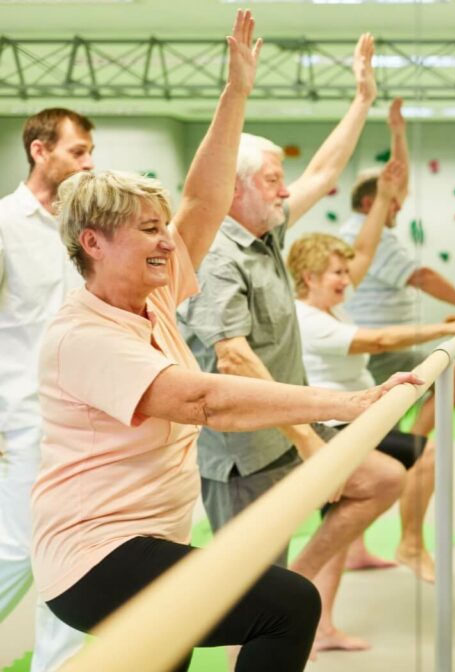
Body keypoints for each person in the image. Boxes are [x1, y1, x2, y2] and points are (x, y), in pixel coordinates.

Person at [32, 14, 418, 671]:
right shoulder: (84, 335)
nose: (167, 240)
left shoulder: (151, 297)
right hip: (95, 556)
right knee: (286, 604)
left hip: (145, 538)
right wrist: (348, 405)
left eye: (163, 227)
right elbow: (206, 401)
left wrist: (237, 91)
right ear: (93, 243)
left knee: (171, 652)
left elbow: (205, 202)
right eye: (148, 230)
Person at [175, 32, 405, 653]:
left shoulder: (266, 233)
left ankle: (297, 582)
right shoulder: (215, 257)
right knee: (249, 594)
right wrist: (306, 437)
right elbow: (233, 356)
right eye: (274, 180)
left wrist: (362, 99)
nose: (285, 190)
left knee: (380, 479)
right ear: (235, 190)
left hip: (287, 430)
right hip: (244, 452)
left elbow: (326, 172)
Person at [286, 230, 455, 626]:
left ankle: (324, 622)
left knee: (342, 525)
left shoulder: (333, 310)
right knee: (343, 523)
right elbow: (380, 340)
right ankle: (405, 547)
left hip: (357, 423)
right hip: (334, 429)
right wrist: (452, 327)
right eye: (338, 273)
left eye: (346, 272)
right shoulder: (307, 319)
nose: (346, 280)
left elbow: (364, 256)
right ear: (309, 277)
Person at [339, 98, 455, 441]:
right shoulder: (365, 236)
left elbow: (398, 185)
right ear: (371, 203)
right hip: (378, 347)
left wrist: (399, 135)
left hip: (388, 344)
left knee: (393, 417)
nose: (399, 207)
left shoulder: (364, 229)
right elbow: (423, 277)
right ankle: (413, 442)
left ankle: (407, 444)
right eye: (392, 203)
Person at [0, 107, 93, 670]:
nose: (88, 162)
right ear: (40, 151)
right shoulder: (4, 223)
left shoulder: (82, 229)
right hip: (25, 419)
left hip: (87, 420)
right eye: (78, 151)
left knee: (71, 555)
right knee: (15, 551)